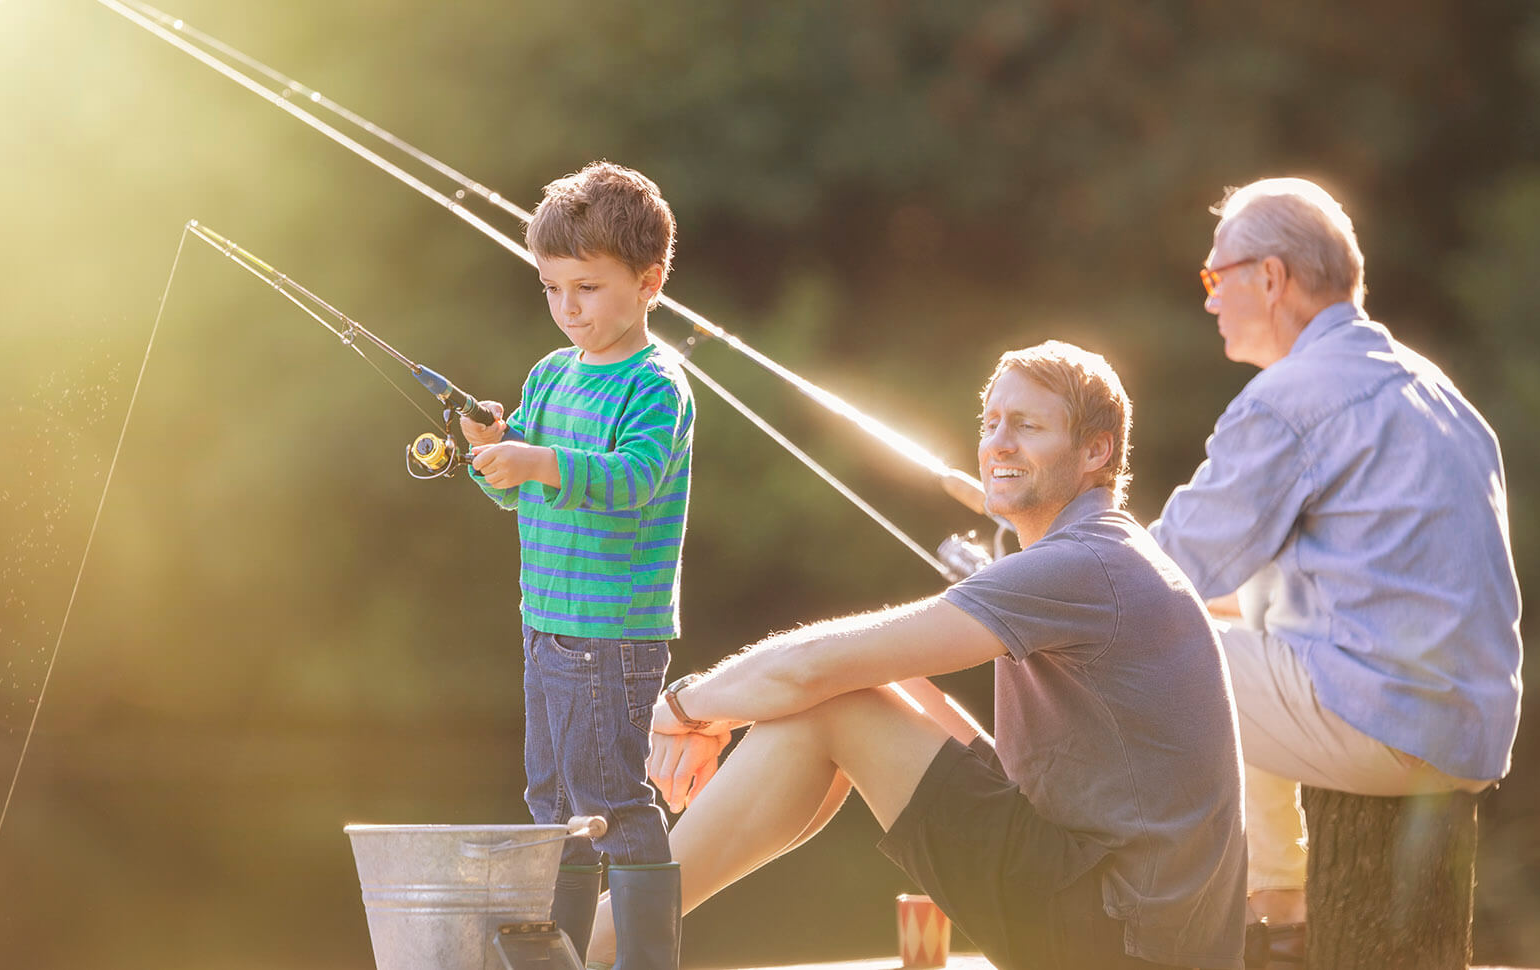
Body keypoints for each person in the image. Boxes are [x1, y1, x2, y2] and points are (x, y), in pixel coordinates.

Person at [589, 342, 1247, 970]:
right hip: (1138, 934)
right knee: (859, 689)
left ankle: (591, 944)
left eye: (1028, 425)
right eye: (990, 423)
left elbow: (810, 669)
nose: (999, 443)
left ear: (1095, 450)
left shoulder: (1083, 565)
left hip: (1120, 941)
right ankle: (608, 935)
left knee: (836, 703)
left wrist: (682, 708)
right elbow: (998, 764)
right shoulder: (1108, 555)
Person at [1148, 177, 1523, 964]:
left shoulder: (1288, 398)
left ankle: (1245, 922)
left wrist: (1050, 563)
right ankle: (1279, 920)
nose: (1209, 299)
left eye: (1217, 278)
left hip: (1388, 723)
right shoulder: (1438, 392)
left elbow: (1163, 570)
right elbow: (1252, 590)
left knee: (1153, 650)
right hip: (1467, 736)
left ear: (1272, 277)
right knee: (1213, 629)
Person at [462, 160, 695, 970]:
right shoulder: (549, 374)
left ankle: (646, 961)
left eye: (588, 288)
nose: (569, 308)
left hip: (611, 638)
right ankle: (551, 959)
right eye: (553, 288)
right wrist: (492, 454)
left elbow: (631, 481)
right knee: (550, 806)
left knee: (614, 804)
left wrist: (536, 460)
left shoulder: (656, 384)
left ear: (648, 281)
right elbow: (517, 491)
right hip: (545, 629)